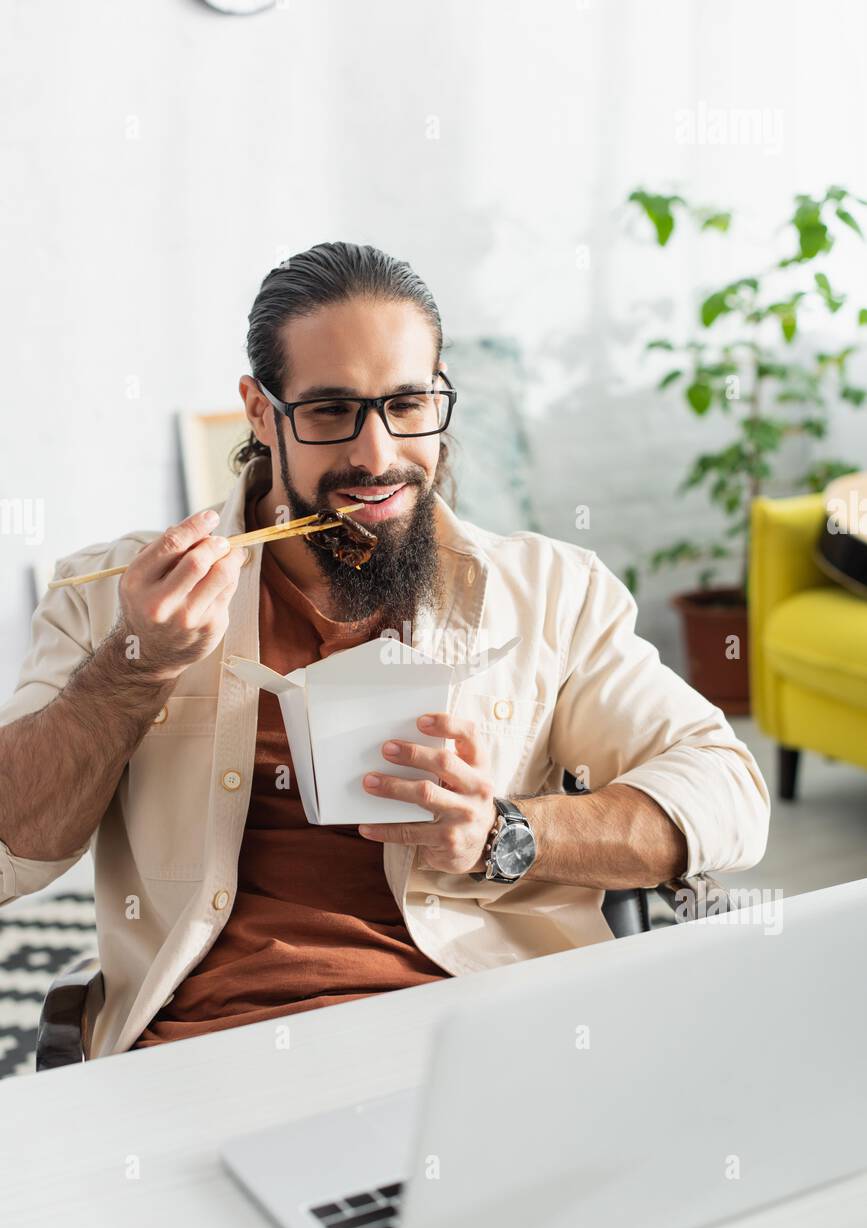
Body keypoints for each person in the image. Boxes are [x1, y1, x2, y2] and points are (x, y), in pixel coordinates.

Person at [0, 242, 770, 1059]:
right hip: (206, 1055)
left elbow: (728, 797)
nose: (375, 455)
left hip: (488, 1046)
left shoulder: (552, 593)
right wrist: (135, 665)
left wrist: (503, 834)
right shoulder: (108, 597)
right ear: (260, 413)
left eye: (406, 404)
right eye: (331, 411)